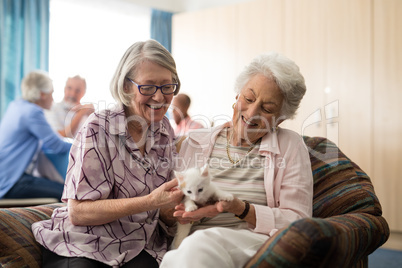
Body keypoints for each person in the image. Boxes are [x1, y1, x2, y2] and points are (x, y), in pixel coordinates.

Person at [32, 40, 184, 267]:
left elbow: (162, 211)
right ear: (125, 87)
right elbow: (79, 213)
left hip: (140, 242)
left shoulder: (165, 131)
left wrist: (175, 209)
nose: (160, 98)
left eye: (167, 86)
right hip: (87, 241)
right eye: (148, 87)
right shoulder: (98, 128)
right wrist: (151, 202)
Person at [160, 52, 314, 268]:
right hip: (188, 245)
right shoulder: (195, 141)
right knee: (182, 253)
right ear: (236, 97)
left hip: (252, 242)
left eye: (267, 109)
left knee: (199, 244)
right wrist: (171, 214)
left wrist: (241, 209)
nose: (252, 113)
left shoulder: (291, 146)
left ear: (281, 118)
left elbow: (298, 221)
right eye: (248, 99)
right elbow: (167, 214)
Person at [0, 71, 72, 200]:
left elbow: (45, 142)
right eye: (52, 93)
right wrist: (83, 146)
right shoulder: (32, 112)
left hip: (6, 178)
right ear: (42, 94)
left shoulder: (16, 106)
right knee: (69, 192)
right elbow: (57, 145)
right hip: (12, 182)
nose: (53, 98)